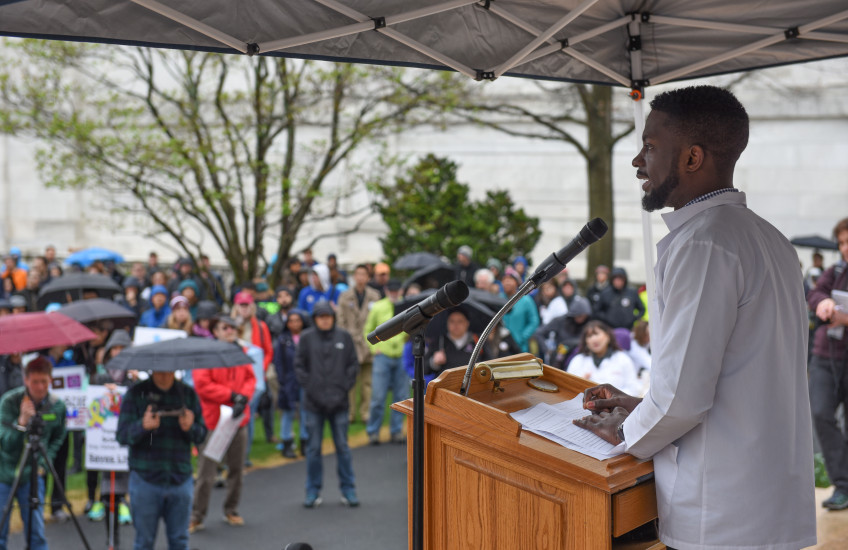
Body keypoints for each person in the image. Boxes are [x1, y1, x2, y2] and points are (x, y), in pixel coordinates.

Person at [573, 85, 816, 550]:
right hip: (765, 497)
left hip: (722, 511)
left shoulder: (705, 244)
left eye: (649, 146)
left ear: (692, 158)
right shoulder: (770, 238)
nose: (637, 162)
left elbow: (684, 397)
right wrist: (640, 403)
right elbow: (736, 371)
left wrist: (623, 430)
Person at [116, 365, 207, 550]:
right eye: (160, 371)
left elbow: (201, 435)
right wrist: (142, 426)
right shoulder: (136, 394)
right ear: (151, 369)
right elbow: (122, 436)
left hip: (179, 478)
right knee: (144, 542)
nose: (165, 375)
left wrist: (190, 427)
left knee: (180, 541)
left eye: (169, 370)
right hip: (146, 479)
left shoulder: (187, 394)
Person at [189, 315, 256, 533]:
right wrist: (231, 396)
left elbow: (250, 378)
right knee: (207, 472)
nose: (230, 331)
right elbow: (202, 384)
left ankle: (231, 510)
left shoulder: (241, 352)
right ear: (215, 331)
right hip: (214, 421)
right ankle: (197, 515)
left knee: (236, 469)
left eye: (232, 328)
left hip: (238, 419)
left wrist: (243, 397)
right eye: (224, 328)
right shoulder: (207, 354)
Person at [294, 300, 359, 508]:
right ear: (315, 319)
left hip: (339, 403)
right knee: (313, 449)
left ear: (333, 318)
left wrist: (342, 390)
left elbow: (353, 366)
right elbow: (300, 367)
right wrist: (313, 390)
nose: (325, 320)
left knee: (343, 447)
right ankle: (312, 491)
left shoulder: (344, 337)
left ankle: (348, 489)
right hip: (313, 404)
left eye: (328, 316)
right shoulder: (306, 338)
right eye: (321, 317)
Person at [0, 357, 66, 550]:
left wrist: (45, 465)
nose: (39, 387)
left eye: (44, 382)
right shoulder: (9, 402)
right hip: (5, 473)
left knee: (37, 534)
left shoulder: (57, 406)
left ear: (51, 381)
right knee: (1, 530)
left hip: (33, 474)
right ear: (26, 380)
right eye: (35, 381)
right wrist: (21, 423)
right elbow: (5, 444)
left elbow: (59, 438)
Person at [807, 217, 848, 510]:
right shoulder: (835, 271)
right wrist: (821, 302)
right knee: (821, 413)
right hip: (826, 356)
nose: (845, 248)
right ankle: (842, 484)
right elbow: (815, 292)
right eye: (842, 243)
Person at [363, 279, 408, 445]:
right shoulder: (378, 306)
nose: (394, 293)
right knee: (378, 396)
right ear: (386, 290)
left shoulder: (406, 305)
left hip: (401, 355)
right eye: (392, 290)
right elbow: (367, 330)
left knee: (401, 396)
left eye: (397, 290)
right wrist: (375, 349)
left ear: (400, 290)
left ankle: (396, 431)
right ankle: (373, 432)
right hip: (383, 355)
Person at [336, 264, 381, 424]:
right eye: (358, 274)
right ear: (354, 277)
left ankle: (365, 413)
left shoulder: (375, 296)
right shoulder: (344, 296)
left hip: (368, 343)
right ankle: (350, 413)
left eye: (364, 274)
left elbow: (378, 320)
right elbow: (340, 320)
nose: (360, 277)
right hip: (351, 343)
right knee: (351, 381)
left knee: (367, 381)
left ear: (368, 277)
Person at [566, 321, 640, 396]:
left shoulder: (623, 359)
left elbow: (633, 390)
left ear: (608, 336)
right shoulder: (578, 360)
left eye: (596, 334)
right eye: (589, 336)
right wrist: (580, 385)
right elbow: (567, 387)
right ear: (586, 341)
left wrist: (611, 396)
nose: (594, 339)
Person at [274, 310, 310, 458]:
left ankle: (305, 442)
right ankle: (287, 443)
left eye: (298, 320)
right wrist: (282, 380)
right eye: (291, 321)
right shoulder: (282, 340)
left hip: (305, 381)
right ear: (287, 323)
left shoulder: (308, 338)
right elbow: (278, 362)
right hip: (288, 381)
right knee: (288, 412)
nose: (295, 324)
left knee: (305, 412)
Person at [424, 308, 478, 377]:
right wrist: (434, 362)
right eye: (452, 321)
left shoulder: (477, 340)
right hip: (444, 386)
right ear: (447, 323)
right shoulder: (439, 341)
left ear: (467, 323)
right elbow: (424, 369)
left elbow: (488, 361)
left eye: (460, 321)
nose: (456, 325)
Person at [500, 266, 539, 353]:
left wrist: (522, 337)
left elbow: (534, 321)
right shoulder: (498, 299)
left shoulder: (526, 300)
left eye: (510, 279)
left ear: (517, 282)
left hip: (520, 347)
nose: (507, 282)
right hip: (502, 346)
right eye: (504, 280)